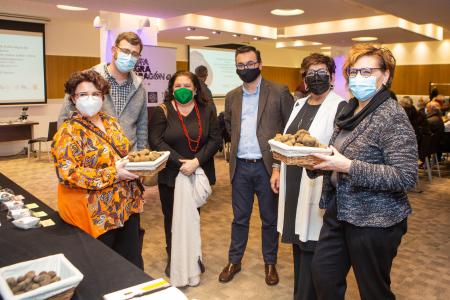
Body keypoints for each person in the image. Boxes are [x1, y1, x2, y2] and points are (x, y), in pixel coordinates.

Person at [309, 44, 418, 300]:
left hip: (375, 220)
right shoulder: (349, 110)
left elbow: (405, 175)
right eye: (354, 72)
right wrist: (317, 162)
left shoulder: (392, 116)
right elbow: (337, 154)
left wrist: (347, 166)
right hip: (340, 211)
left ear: (386, 75)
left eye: (367, 71)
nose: (358, 78)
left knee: (373, 291)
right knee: (324, 276)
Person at [52, 70, 145, 269]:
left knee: (131, 265)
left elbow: (123, 153)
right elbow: (68, 174)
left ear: (103, 96)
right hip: (97, 214)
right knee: (103, 268)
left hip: (125, 206)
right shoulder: (68, 132)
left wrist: (139, 166)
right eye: (82, 94)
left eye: (95, 94)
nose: (90, 99)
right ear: (72, 98)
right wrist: (114, 173)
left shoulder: (111, 123)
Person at [271, 53, 346, 300]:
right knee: (298, 246)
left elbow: (340, 148)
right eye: (309, 74)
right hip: (293, 183)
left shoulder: (340, 106)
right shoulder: (298, 103)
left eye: (321, 73)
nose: (315, 78)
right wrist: (277, 168)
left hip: (318, 185)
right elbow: (287, 139)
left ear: (332, 77)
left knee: (314, 251)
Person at [219, 45, 294, 286]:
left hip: (267, 168)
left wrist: (278, 167)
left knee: (269, 219)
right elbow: (230, 128)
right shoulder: (232, 96)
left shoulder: (279, 92)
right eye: (241, 65)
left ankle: (270, 263)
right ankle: (234, 261)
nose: (246, 69)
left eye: (250, 64)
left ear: (260, 64)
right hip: (240, 167)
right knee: (239, 218)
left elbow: (288, 131)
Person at [149, 71, 221, 278]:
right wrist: (182, 163)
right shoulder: (162, 111)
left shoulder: (206, 110)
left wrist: (196, 162)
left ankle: (193, 256)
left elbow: (215, 140)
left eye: (187, 86)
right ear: (171, 89)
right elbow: (156, 141)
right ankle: (174, 258)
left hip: (197, 174)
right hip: (171, 175)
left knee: (193, 218)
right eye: (178, 86)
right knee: (172, 218)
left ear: (196, 89)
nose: (182, 90)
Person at [58, 31, 148, 151]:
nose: (129, 57)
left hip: (128, 156)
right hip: (94, 156)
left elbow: (142, 127)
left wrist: (141, 155)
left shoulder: (139, 87)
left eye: (135, 54)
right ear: (114, 50)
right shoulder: (87, 79)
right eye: (125, 51)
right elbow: (65, 117)